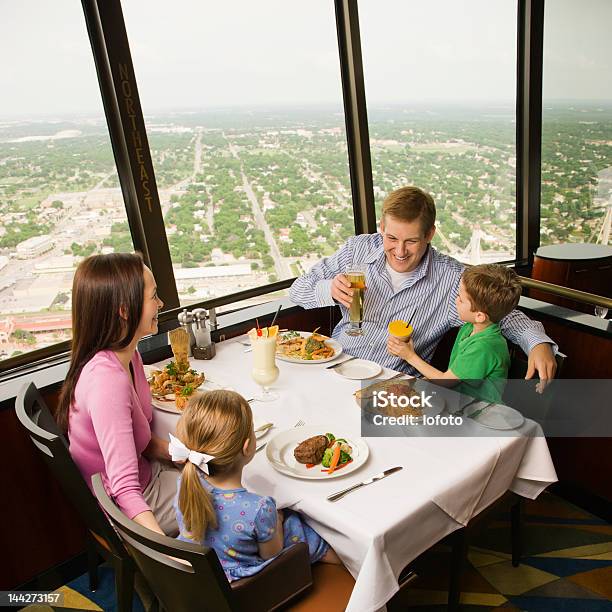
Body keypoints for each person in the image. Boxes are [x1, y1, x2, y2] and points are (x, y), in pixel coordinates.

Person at [289, 186, 557, 382]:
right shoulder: (357, 249)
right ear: (381, 227)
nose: (400, 251)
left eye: (412, 241)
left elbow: (503, 315)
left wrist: (537, 343)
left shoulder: (451, 278)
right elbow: (298, 289)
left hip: (391, 388)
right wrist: (329, 290)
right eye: (391, 238)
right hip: (333, 368)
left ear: (430, 234)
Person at [57, 253, 179, 536]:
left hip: (146, 477)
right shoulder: (107, 382)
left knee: (217, 474)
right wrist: (171, 561)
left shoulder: (128, 354)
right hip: (127, 507)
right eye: (154, 296)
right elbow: (125, 489)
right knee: (233, 495)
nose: (160, 304)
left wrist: (181, 454)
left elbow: (139, 442)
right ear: (125, 310)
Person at [171, 390, 341, 581]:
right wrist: (275, 522)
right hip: (250, 589)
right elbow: (271, 554)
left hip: (207, 575)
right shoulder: (259, 507)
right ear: (247, 446)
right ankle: (346, 563)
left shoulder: (185, 484)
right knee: (295, 523)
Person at [388, 264, 522, 402]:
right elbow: (454, 375)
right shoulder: (469, 328)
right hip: (459, 402)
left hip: (481, 413)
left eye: (461, 299)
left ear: (480, 316)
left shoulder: (483, 347)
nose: (456, 300)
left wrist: (409, 356)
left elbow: (445, 381)